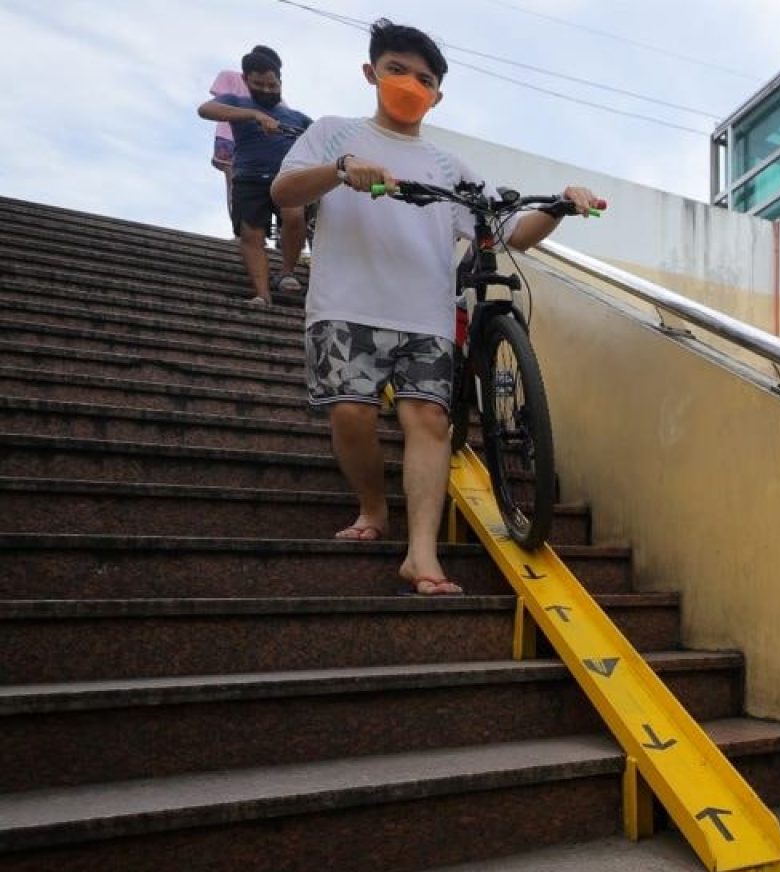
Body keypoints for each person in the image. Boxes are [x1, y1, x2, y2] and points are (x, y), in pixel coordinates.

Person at [270, 18, 599, 596]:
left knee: (430, 422)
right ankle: (374, 507)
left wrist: (563, 206)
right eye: (397, 70)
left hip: (425, 315)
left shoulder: (449, 166)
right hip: (344, 305)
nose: (409, 84)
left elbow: (510, 230)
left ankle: (421, 557)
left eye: (423, 78)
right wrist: (342, 172)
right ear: (371, 73)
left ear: (437, 94)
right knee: (351, 414)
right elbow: (283, 192)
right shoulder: (331, 133)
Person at [198, 46, 311, 305]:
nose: (267, 90)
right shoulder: (237, 103)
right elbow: (205, 110)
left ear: (280, 82)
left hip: (287, 178)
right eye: (259, 84)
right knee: (252, 234)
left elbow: (325, 138)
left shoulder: (296, 116)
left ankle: (286, 272)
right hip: (249, 177)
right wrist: (254, 114)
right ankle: (262, 294)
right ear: (246, 81)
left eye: (272, 85)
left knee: (295, 218)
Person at [206, 49, 273, 235]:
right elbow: (219, 104)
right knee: (235, 185)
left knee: (258, 187)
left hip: (259, 143)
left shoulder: (272, 88)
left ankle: (256, 233)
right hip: (230, 136)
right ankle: (241, 232)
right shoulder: (229, 76)